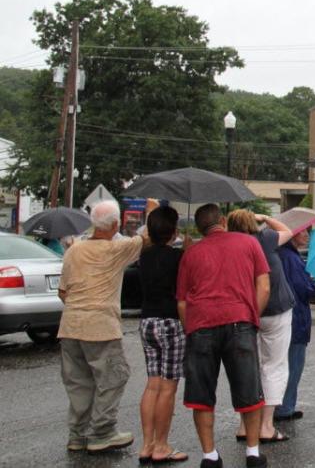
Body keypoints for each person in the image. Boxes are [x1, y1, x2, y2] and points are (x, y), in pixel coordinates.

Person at [176, 204, 271, 468]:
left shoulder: (191, 253)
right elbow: (263, 286)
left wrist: (191, 327)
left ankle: (209, 456)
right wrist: (252, 316)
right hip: (240, 321)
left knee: (201, 394)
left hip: (201, 325)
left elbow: (182, 303)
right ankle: (253, 452)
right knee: (249, 389)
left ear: (198, 228)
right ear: (223, 221)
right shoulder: (250, 244)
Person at [58, 200, 150, 454]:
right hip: (100, 326)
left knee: (79, 383)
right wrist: (152, 208)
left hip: (70, 326)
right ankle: (102, 432)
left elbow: (62, 292)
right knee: (113, 376)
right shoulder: (116, 249)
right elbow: (147, 239)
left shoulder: (74, 250)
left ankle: (77, 435)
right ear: (115, 224)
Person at [227, 210, 295, 443]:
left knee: (248, 368)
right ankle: (266, 425)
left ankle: (245, 425)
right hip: (275, 310)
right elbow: (287, 231)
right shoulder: (264, 240)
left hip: (245, 313)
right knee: (274, 366)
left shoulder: (230, 247)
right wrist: (265, 218)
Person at [137, 206, 188, 464]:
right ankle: (162, 445)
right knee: (168, 387)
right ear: (174, 231)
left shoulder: (143, 256)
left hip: (147, 321)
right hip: (170, 322)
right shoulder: (178, 257)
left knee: (152, 383)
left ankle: (147, 444)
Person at [274, 226, 315, 422]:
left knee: (281, 364)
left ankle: (282, 405)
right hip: (296, 317)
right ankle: (285, 407)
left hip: (283, 316)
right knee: (294, 363)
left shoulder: (280, 254)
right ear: (292, 235)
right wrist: (311, 285)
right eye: (304, 232)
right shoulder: (290, 258)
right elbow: (303, 288)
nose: (307, 236)